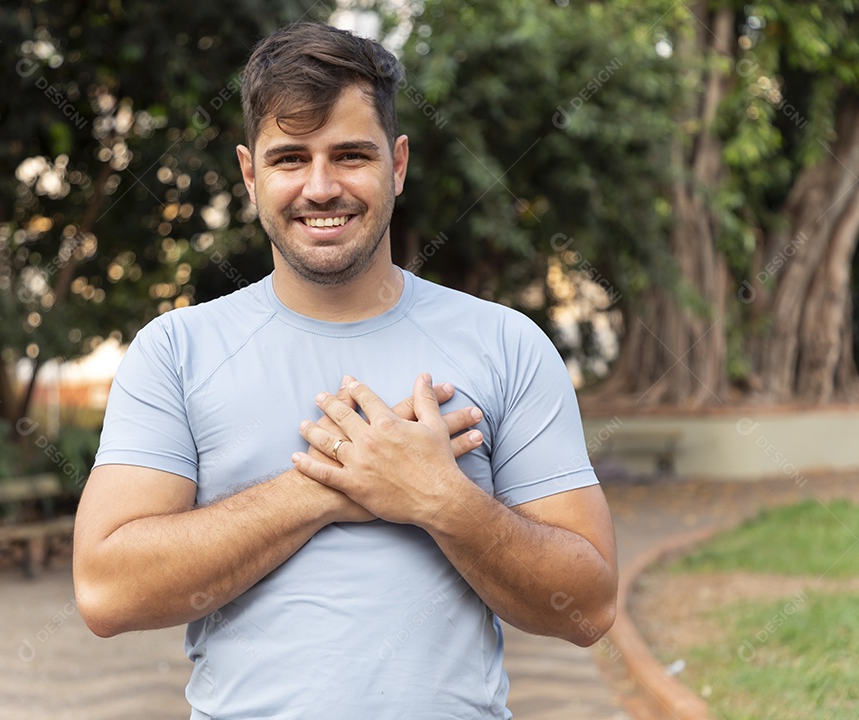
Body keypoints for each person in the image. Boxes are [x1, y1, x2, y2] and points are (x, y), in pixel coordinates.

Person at [74, 21, 617, 720]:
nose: (321, 187)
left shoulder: (506, 343)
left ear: (398, 163)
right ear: (249, 173)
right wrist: (328, 488)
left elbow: (590, 608)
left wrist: (439, 500)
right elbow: (106, 593)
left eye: (350, 155)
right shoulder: (175, 351)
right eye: (290, 159)